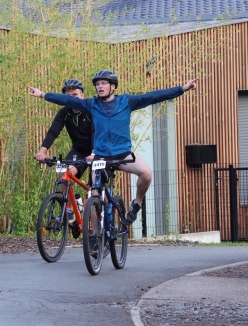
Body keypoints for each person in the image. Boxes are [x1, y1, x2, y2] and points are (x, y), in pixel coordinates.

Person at [29, 70, 198, 224]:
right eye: (97, 84)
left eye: (103, 83)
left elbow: (154, 96)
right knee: (94, 196)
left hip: (122, 154)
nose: (99, 87)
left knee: (146, 173)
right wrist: (43, 94)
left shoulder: (127, 102)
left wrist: (182, 88)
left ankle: (136, 203)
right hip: (100, 156)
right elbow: (67, 100)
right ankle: (95, 236)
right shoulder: (91, 104)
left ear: (112, 86)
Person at [34, 79, 94, 224]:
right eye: (68, 96)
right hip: (79, 151)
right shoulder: (65, 113)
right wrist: (42, 152)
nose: (72, 98)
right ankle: (69, 209)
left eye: (75, 94)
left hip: (96, 150)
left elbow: (97, 132)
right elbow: (53, 131)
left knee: (95, 190)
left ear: (82, 95)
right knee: (64, 176)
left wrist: (94, 152)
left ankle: (100, 221)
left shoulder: (90, 110)